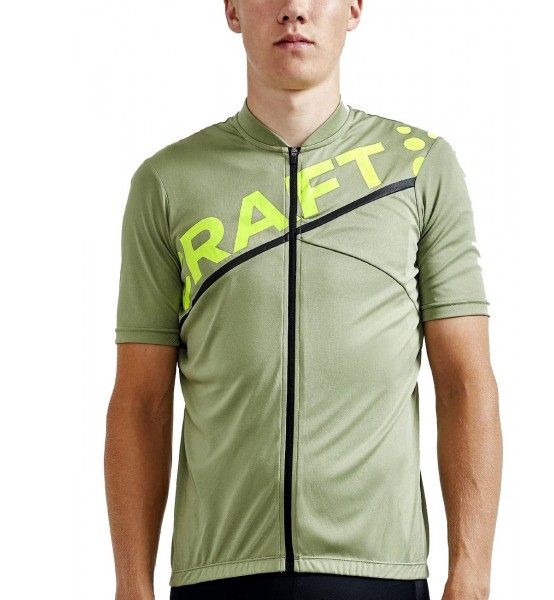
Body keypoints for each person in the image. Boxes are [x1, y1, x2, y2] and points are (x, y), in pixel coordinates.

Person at [104, 1, 503, 599]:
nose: (293, 9)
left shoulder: (419, 166)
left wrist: (471, 576)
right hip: (220, 575)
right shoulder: (167, 181)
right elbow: (141, 400)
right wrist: (131, 585)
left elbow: (465, 382)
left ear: (354, 8)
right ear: (233, 10)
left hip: (379, 575)